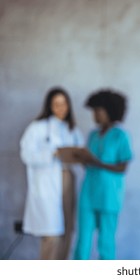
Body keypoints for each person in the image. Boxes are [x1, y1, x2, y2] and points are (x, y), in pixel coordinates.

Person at [20, 86, 84, 259]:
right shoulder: (37, 127)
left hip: (67, 179)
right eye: (56, 104)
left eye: (64, 104)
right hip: (47, 184)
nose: (61, 108)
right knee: (52, 234)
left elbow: (81, 152)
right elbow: (26, 154)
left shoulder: (72, 129)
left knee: (67, 229)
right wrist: (53, 153)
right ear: (49, 106)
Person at [73, 89, 133, 260]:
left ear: (110, 112)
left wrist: (97, 162)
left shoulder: (120, 136)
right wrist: (81, 158)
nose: (95, 116)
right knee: (82, 242)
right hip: (88, 193)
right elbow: (90, 164)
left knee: (106, 243)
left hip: (109, 196)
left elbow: (122, 167)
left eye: (98, 112)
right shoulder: (92, 135)